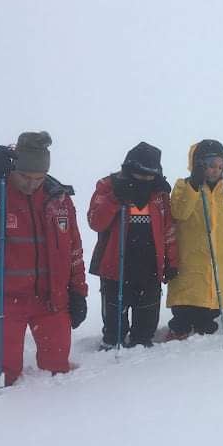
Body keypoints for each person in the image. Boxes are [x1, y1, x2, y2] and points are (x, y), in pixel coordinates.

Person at [0, 132, 88, 386]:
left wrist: (78, 292)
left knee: (57, 371)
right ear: (13, 169)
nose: (33, 184)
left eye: (39, 178)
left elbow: (74, 249)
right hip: (3, 301)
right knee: (4, 374)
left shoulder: (60, 199)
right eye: (25, 176)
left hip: (51, 300)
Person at [87, 142, 177, 349]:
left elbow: (168, 230)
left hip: (150, 263)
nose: (145, 180)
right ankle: (112, 342)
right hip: (116, 263)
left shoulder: (160, 193)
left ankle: (141, 343)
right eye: (140, 174)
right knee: (114, 315)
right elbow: (96, 222)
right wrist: (115, 198)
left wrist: (172, 261)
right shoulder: (108, 186)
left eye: (149, 175)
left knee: (147, 315)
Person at [166, 140, 223, 338]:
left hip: (217, 266)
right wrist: (194, 183)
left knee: (210, 312)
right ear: (199, 164)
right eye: (211, 165)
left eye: (220, 166)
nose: (216, 170)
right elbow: (179, 212)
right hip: (190, 264)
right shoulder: (183, 186)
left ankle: (205, 340)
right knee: (186, 308)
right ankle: (178, 334)